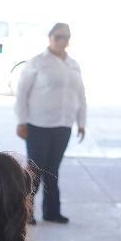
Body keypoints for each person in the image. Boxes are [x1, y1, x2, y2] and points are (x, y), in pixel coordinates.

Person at [14, 23, 86, 224]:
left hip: (64, 125)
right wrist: (21, 121)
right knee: (35, 170)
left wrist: (81, 122)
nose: (62, 40)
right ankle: (25, 212)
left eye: (65, 37)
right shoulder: (37, 62)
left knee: (53, 169)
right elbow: (22, 93)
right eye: (58, 36)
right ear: (50, 37)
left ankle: (52, 212)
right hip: (38, 124)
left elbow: (80, 94)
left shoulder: (73, 65)